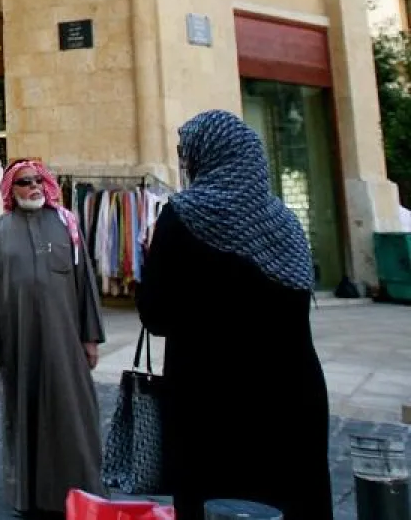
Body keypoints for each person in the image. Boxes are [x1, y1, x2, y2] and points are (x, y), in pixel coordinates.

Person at [137, 110, 331, 520]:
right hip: (292, 397)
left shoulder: (184, 215)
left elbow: (155, 314)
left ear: (205, 156)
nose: (184, 164)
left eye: (186, 154)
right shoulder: (286, 222)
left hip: (211, 401)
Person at [0, 157, 104, 518]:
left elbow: (85, 285)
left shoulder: (66, 226)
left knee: (72, 412)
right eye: (25, 182)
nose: (34, 187)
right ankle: (29, 495)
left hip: (65, 342)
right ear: (11, 190)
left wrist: (90, 338)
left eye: (38, 181)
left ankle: (81, 487)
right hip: (18, 342)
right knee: (24, 415)